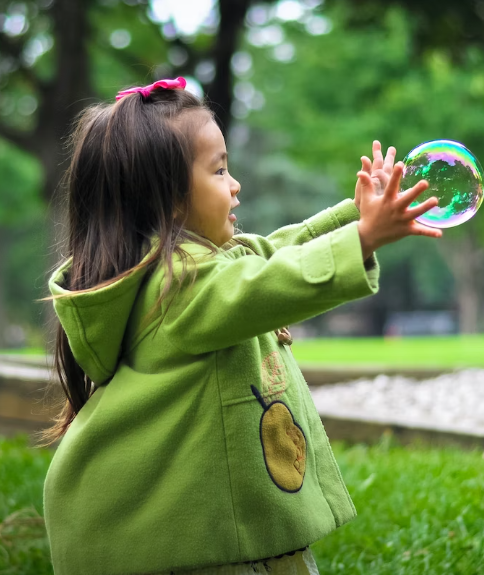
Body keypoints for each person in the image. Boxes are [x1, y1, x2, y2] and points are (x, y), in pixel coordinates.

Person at [41, 77, 442, 575]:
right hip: (202, 551)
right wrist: (360, 239)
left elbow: (271, 251)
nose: (235, 184)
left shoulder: (195, 268)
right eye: (219, 170)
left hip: (216, 534)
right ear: (167, 199)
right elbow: (268, 281)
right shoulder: (178, 287)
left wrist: (355, 217)